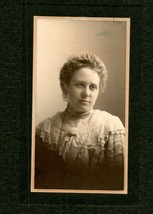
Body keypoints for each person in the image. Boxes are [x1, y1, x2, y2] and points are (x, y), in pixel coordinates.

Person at [35, 52, 125, 190]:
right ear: (66, 86)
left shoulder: (111, 126)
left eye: (93, 87)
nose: (86, 93)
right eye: (79, 85)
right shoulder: (44, 129)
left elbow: (118, 182)